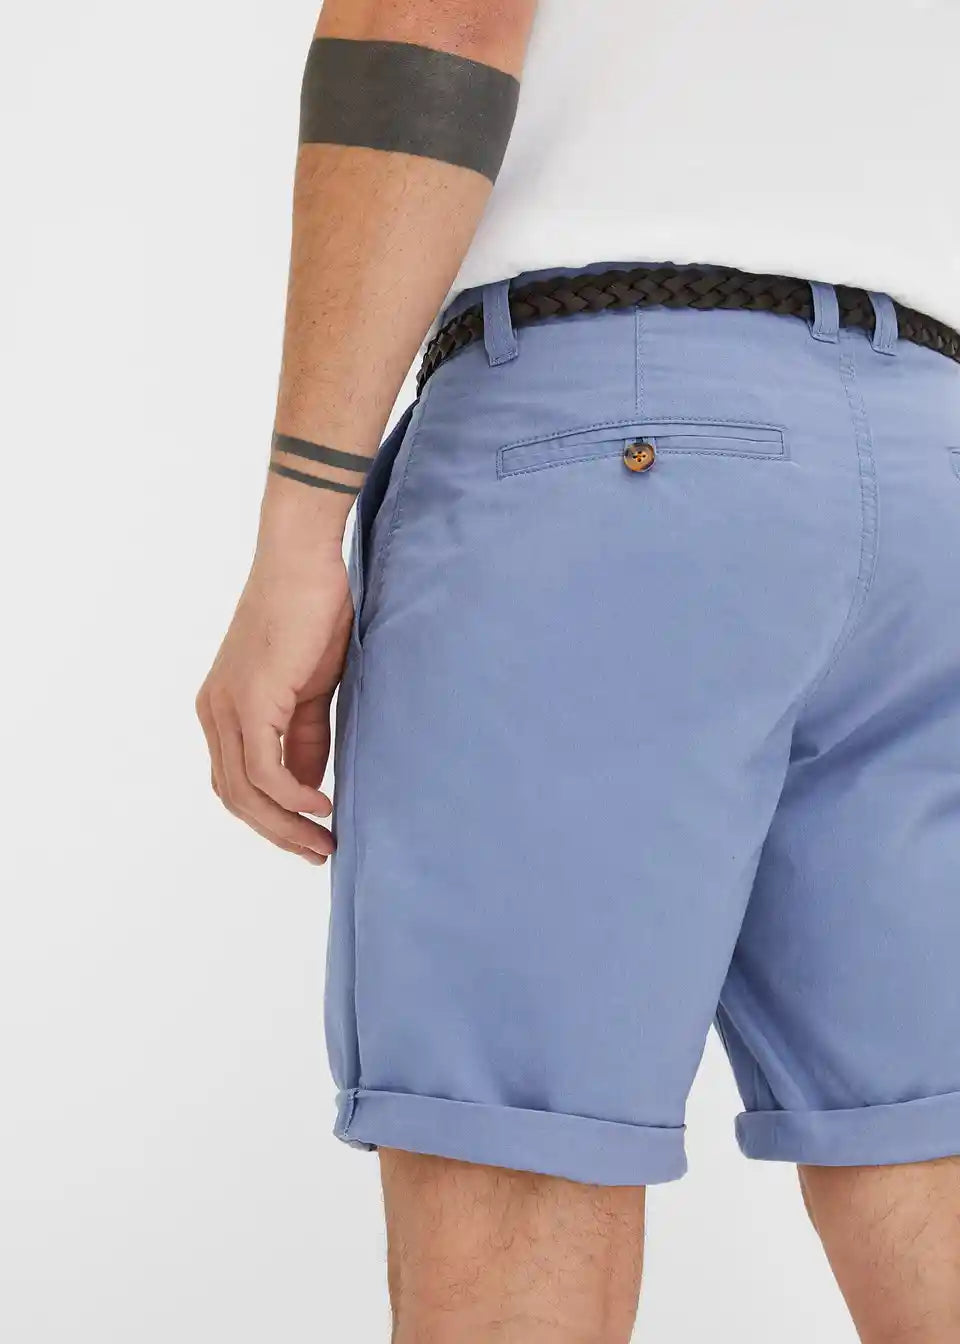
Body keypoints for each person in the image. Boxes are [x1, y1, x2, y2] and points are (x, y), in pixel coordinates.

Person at [196, 1, 960, 1339]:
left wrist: (301, 524)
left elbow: (441, 16)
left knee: (518, 1154)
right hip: (933, 463)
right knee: (930, 1145)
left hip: (618, 444)